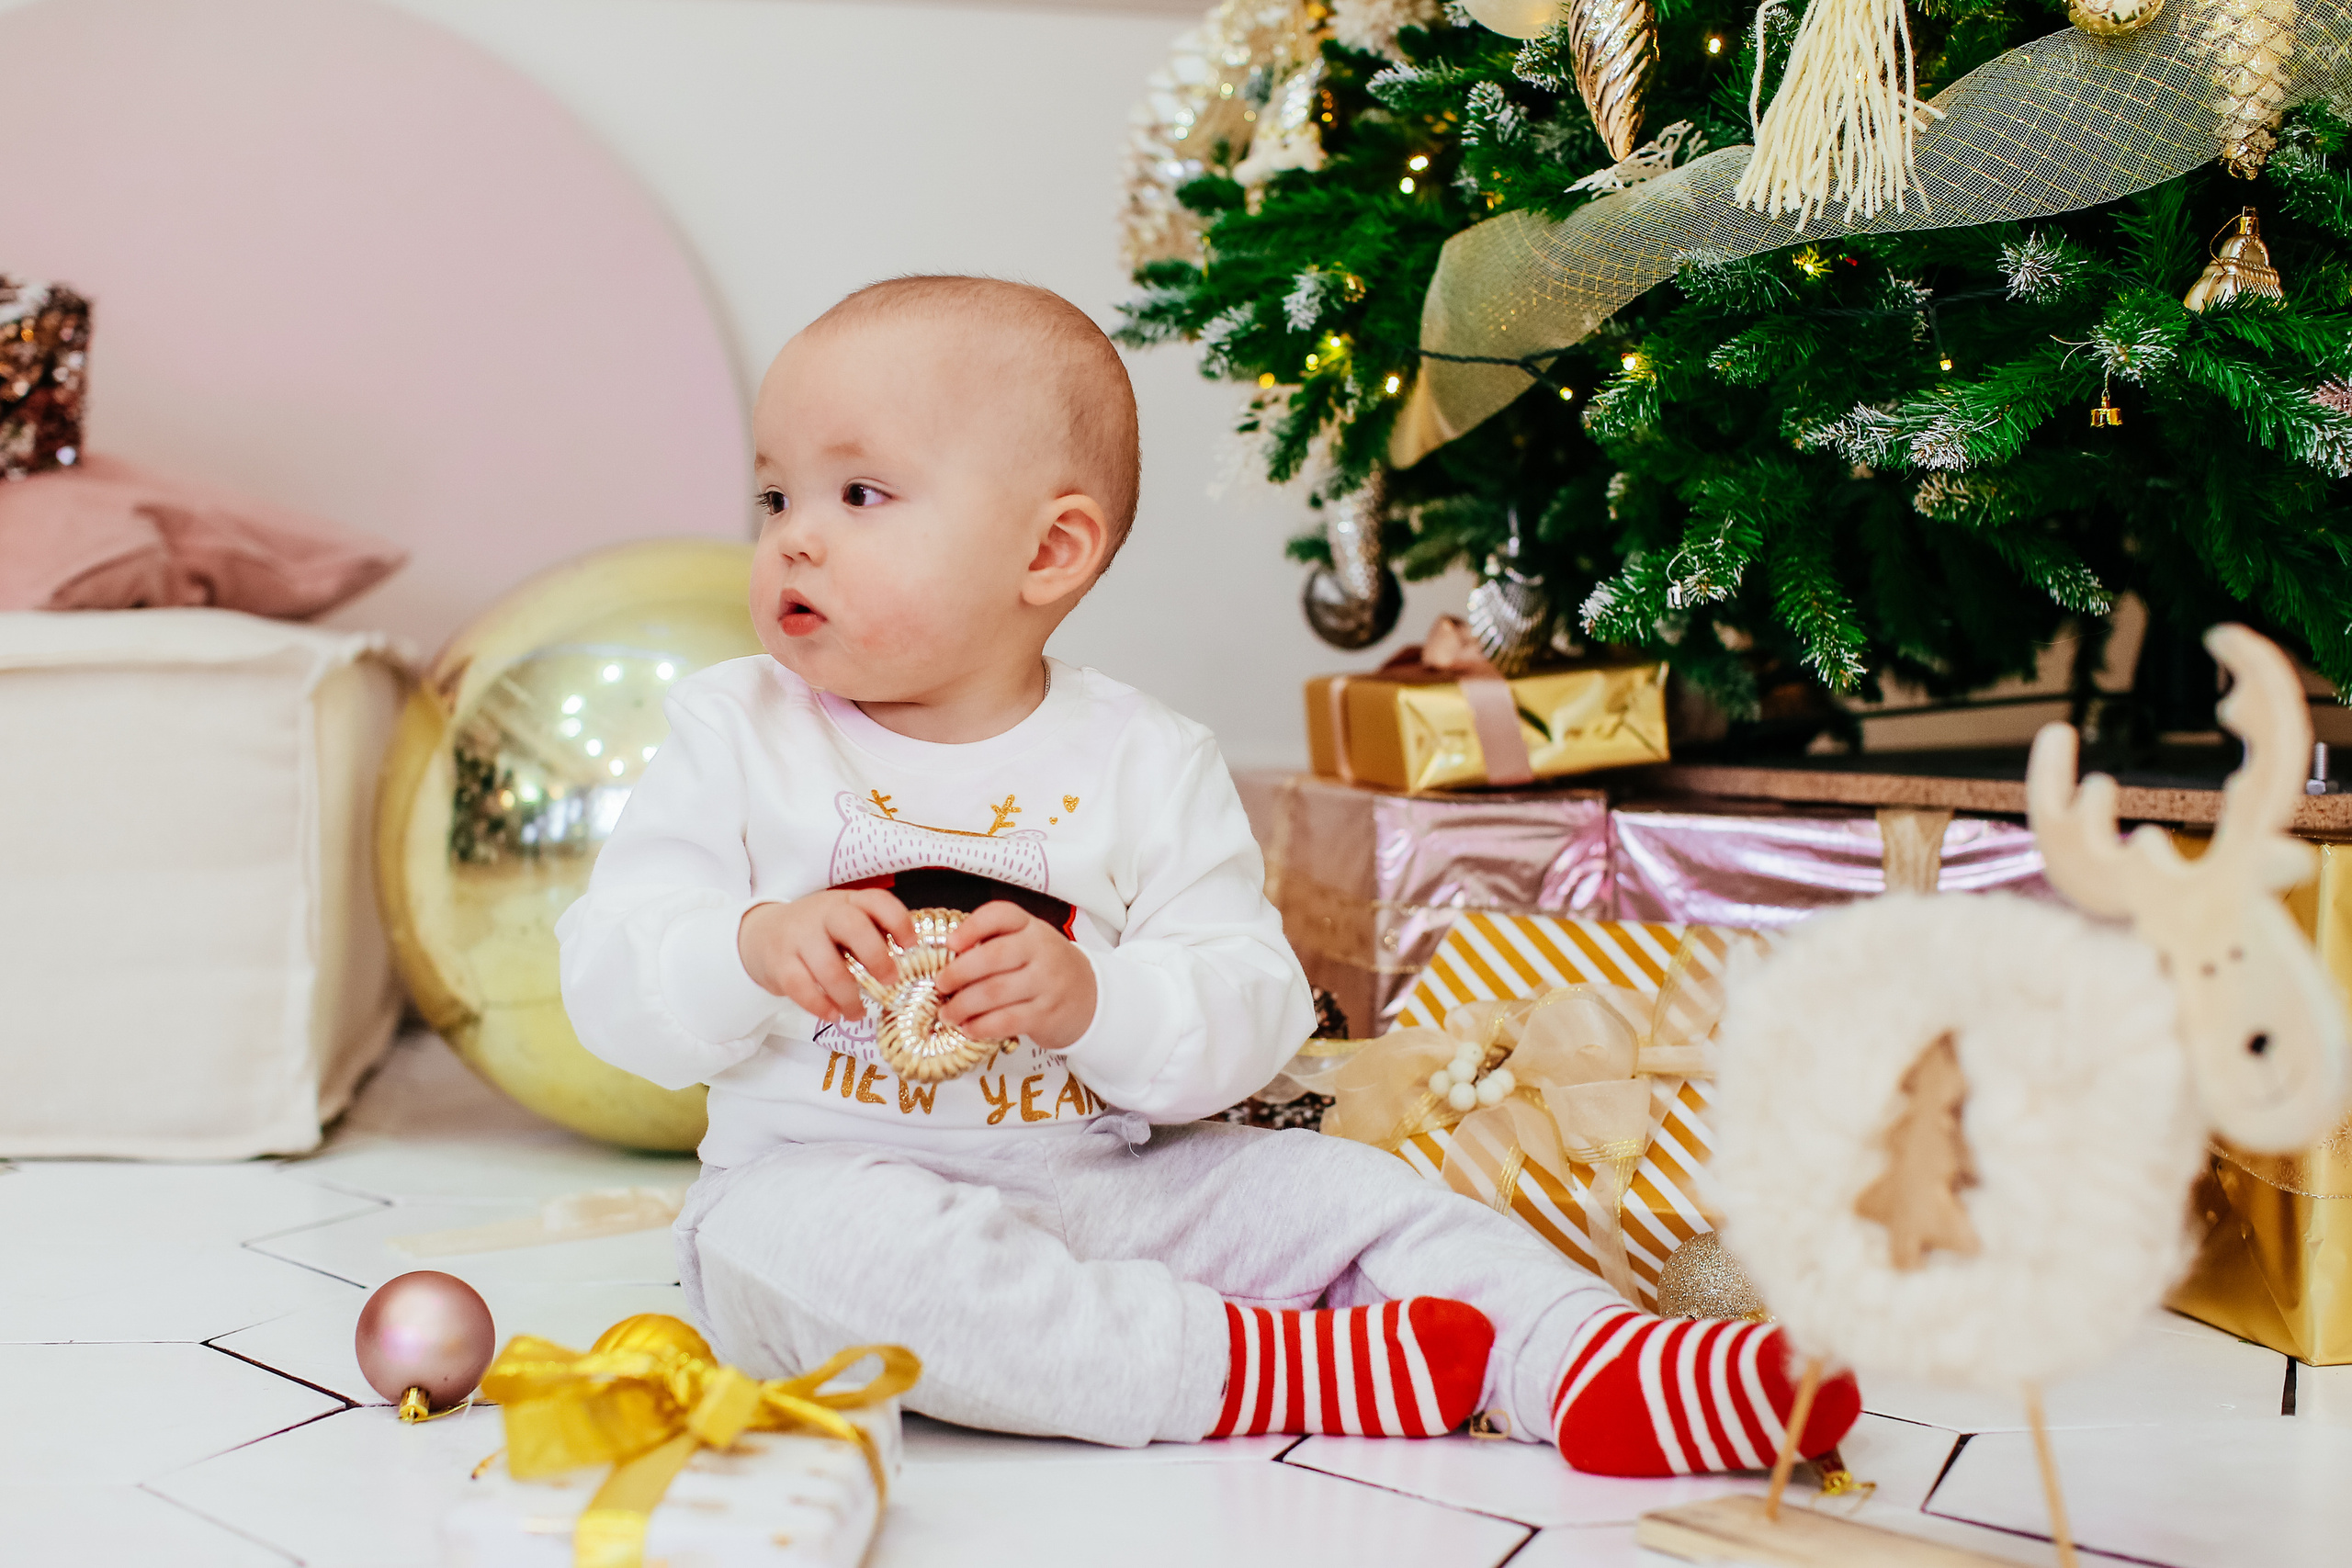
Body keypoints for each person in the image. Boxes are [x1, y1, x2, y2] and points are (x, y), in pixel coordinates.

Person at [554, 276, 1858, 1473]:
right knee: (795, 1259)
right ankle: (1254, 1366)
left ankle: (1582, 1361)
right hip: (828, 1182)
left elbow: (1246, 1009)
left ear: (1048, 554)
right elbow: (613, 970)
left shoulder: (1144, 758)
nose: (794, 540)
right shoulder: (734, 732)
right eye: (775, 498)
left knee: (1360, 1201)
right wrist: (743, 945)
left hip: (1113, 1181)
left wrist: (1095, 1003)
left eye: (862, 497)